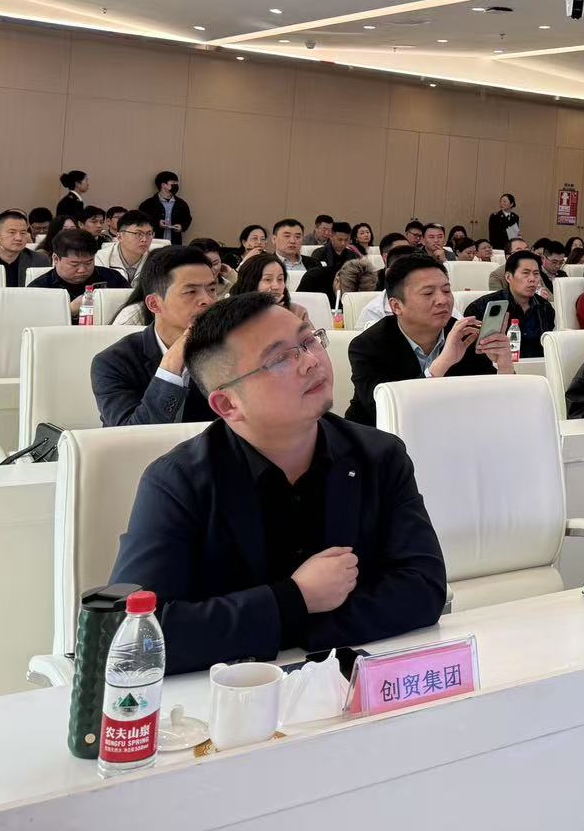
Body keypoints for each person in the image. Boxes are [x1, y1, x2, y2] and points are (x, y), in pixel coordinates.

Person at [108, 293, 447, 673]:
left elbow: (424, 588)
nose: (311, 361)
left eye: (308, 341)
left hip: (350, 678)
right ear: (227, 405)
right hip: (232, 693)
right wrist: (295, 597)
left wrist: (287, 625)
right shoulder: (178, 482)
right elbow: (137, 636)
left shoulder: (379, 455)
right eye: (280, 359)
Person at [347, 255, 513, 425]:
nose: (443, 300)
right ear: (396, 306)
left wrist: (504, 366)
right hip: (379, 437)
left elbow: (494, 404)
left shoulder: (465, 335)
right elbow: (382, 410)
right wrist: (440, 365)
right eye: (428, 293)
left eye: (446, 291)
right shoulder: (367, 346)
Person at [90, 246, 220, 425]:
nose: (208, 300)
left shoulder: (226, 350)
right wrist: (170, 369)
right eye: (191, 292)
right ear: (154, 304)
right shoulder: (113, 362)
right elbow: (131, 434)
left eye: (212, 289)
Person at [464, 250, 555, 358]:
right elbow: (471, 352)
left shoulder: (545, 307)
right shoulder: (482, 307)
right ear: (508, 277)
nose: (532, 279)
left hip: (537, 365)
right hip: (497, 366)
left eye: (536, 274)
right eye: (525, 273)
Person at [25, 227, 122, 314]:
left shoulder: (112, 278)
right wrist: (68, 311)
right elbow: (31, 322)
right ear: (56, 259)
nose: (82, 270)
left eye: (88, 262)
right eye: (74, 264)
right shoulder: (38, 289)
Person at [97, 209, 156, 285]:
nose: (144, 239)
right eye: (138, 234)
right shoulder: (101, 259)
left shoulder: (157, 259)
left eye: (149, 234)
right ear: (120, 237)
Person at [137, 171, 191, 246]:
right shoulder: (148, 204)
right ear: (163, 185)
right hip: (154, 242)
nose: (176, 186)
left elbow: (187, 219)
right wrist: (157, 223)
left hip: (175, 243)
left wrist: (181, 227)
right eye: (173, 183)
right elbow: (141, 221)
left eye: (176, 183)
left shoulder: (181, 203)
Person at [272, 218, 327, 288]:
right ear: (274, 239)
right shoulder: (264, 263)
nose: (292, 241)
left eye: (298, 237)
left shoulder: (314, 264)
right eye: (287, 236)